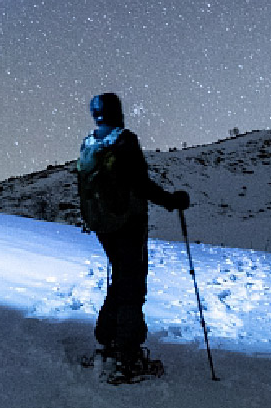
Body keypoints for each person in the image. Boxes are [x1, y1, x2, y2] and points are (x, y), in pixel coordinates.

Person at [75, 91, 190, 383]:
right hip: (129, 223)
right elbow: (139, 183)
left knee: (121, 279)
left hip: (104, 225)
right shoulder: (125, 140)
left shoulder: (89, 144)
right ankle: (127, 355)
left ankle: (108, 340)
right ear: (118, 111)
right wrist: (170, 200)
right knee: (132, 284)